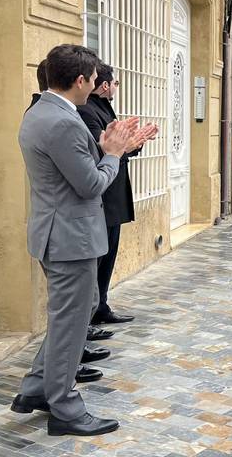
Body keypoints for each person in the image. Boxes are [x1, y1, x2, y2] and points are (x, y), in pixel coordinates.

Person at [11, 44, 137, 437]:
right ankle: (64, 408)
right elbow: (90, 184)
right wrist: (113, 153)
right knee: (73, 321)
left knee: (66, 319)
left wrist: (105, 149)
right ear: (80, 80)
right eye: (95, 80)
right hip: (70, 238)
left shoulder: (42, 111)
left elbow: (73, 169)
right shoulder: (63, 120)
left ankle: (34, 389)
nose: (97, 86)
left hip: (58, 233)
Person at [77, 63, 158, 327]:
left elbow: (116, 149)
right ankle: (90, 315)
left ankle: (100, 307)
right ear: (103, 85)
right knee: (99, 259)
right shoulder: (87, 110)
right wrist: (124, 146)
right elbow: (100, 153)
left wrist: (132, 144)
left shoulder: (101, 107)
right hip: (102, 195)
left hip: (112, 192)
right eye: (115, 83)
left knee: (108, 255)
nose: (115, 88)